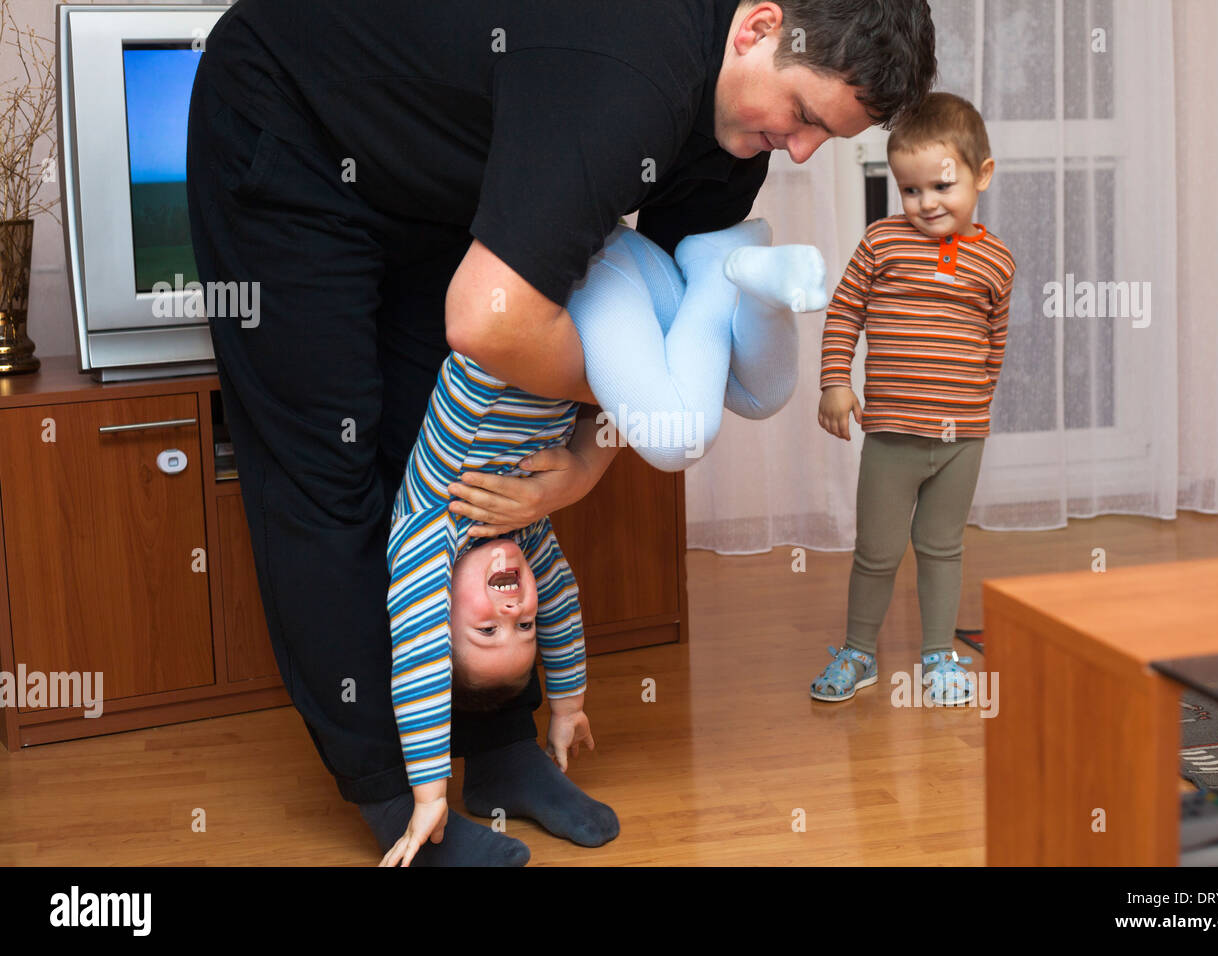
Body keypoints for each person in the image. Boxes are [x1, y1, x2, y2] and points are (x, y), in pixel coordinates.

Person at [186, 0, 937, 865]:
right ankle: (401, 808)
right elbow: (488, 325)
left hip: (430, 164)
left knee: (477, 466)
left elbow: (643, 310)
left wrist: (588, 458)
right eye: (803, 116)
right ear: (758, 26)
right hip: (293, 126)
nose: (801, 150)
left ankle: (503, 755)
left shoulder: (737, 129)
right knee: (330, 472)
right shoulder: (626, 73)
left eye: (825, 139)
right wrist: (634, 416)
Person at [379, 217, 829, 866]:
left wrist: (428, 795)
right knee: (759, 394)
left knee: (676, 434)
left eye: (487, 631)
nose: (514, 612)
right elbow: (561, 605)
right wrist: (566, 706)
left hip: (575, 275)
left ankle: (722, 273)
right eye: (522, 627)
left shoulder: (428, 532)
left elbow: (417, 664)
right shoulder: (523, 531)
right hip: (633, 289)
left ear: (436, 608)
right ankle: (733, 276)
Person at [813, 91, 1015, 706]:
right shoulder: (882, 244)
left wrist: (977, 405)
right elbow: (844, 312)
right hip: (893, 436)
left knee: (942, 547)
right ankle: (858, 652)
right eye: (910, 189)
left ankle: (937, 656)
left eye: (941, 186)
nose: (925, 203)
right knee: (876, 551)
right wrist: (835, 382)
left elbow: (994, 341)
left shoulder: (997, 261)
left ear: (981, 175)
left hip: (961, 440)